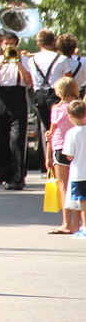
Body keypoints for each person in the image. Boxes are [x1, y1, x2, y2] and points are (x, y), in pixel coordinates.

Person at [0, 31, 33, 190]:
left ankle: (18, 177)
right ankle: (5, 175)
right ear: (1, 45)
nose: (8, 47)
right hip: (0, 99)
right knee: (1, 139)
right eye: (5, 44)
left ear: (16, 45)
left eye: (11, 44)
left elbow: (28, 81)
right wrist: (0, 65)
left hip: (17, 98)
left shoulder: (25, 60)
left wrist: (18, 62)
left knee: (17, 139)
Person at [29, 29, 71, 171]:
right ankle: (59, 160)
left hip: (38, 94)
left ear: (38, 43)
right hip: (56, 94)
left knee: (46, 128)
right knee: (59, 127)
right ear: (54, 41)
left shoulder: (32, 59)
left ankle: (47, 162)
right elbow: (69, 80)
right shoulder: (61, 59)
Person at [45, 76, 81, 235]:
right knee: (78, 185)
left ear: (59, 92)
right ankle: (77, 222)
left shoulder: (57, 109)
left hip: (61, 148)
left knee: (64, 186)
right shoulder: (80, 107)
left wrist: (48, 156)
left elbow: (51, 134)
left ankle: (66, 223)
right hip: (80, 149)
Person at [61, 100, 86, 239]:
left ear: (69, 116)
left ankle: (85, 227)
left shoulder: (71, 133)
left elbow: (69, 155)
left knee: (83, 202)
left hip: (79, 172)